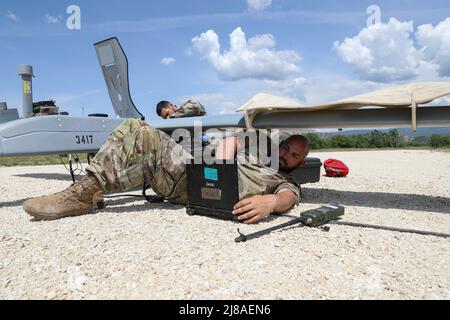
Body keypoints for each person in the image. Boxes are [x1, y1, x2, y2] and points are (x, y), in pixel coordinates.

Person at [23, 119, 310, 224]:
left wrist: (270, 202)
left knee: (147, 137)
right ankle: (90, 189)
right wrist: (220, 168)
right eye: (286, 148)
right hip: (199, 176)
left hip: (193, 191)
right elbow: (232, 139)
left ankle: (83, 194)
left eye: (295, 155)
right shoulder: (259, 153)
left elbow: (288, 198)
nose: (287, 155)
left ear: (300, 163)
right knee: (133, 126)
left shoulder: (284, 180)